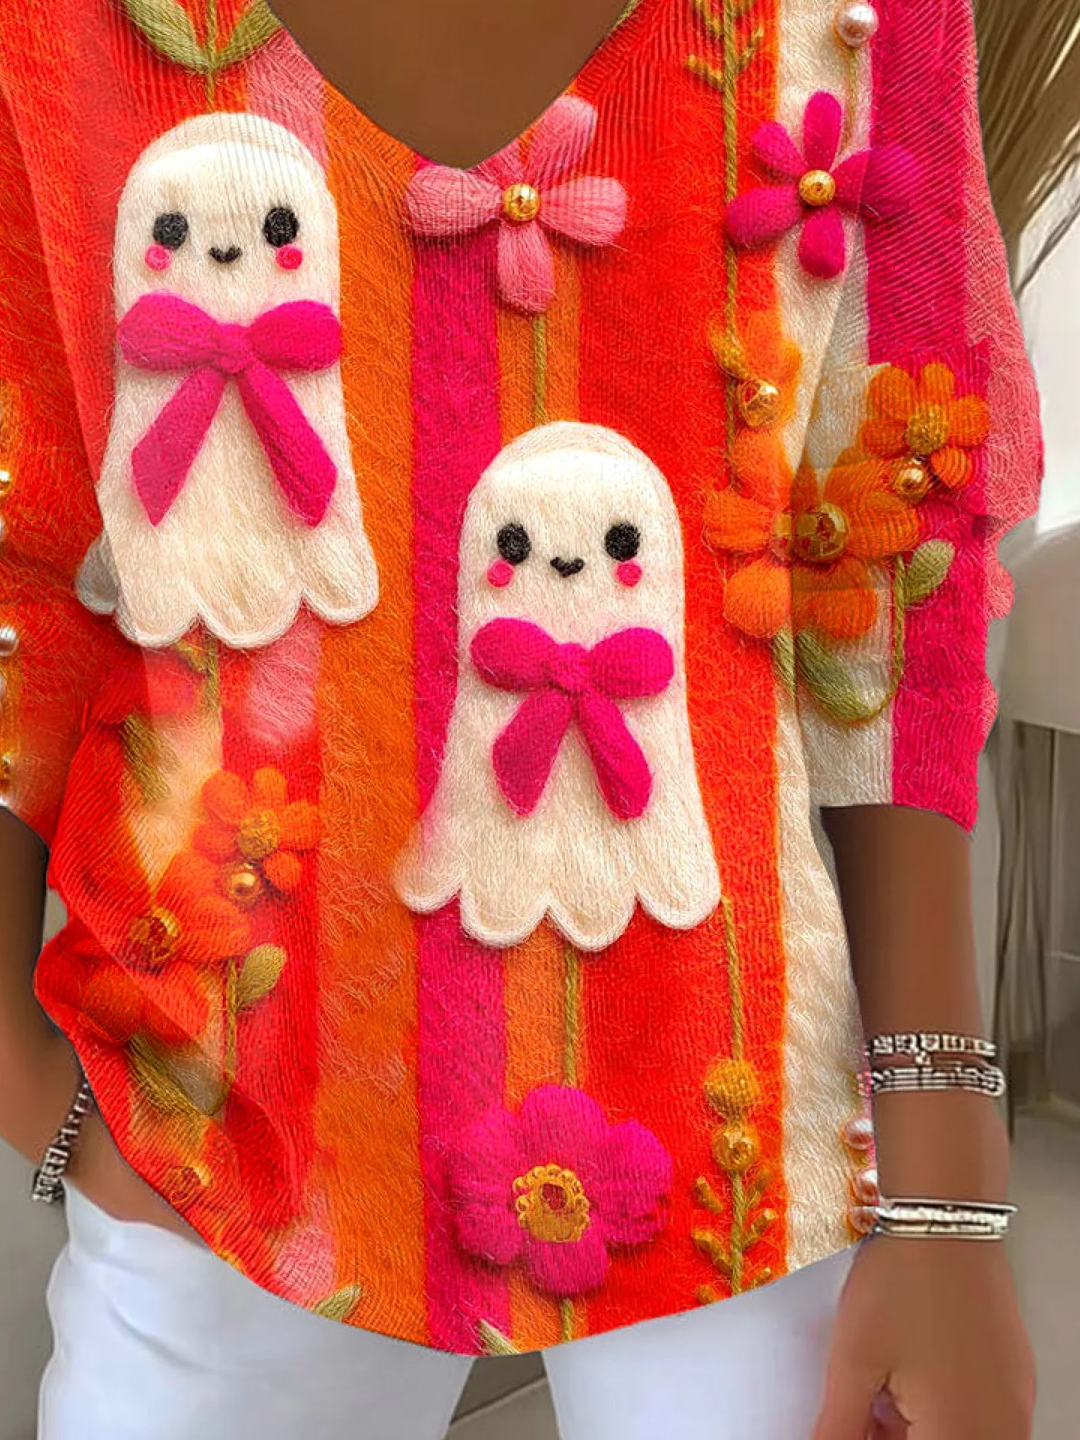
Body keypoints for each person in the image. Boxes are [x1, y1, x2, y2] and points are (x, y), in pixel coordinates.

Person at [0, 0, 1041, 1436]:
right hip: (217, 1141)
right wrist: (18, 1068)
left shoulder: (860, 22)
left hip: (749, 1142)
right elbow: (26, 533)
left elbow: (895, 568)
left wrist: (947, 1194)